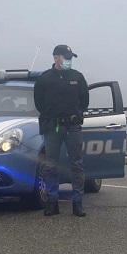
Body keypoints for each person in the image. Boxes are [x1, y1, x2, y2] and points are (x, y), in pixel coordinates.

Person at [33, 44, 89, 217]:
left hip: (72, 127)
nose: (69, 60)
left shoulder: (77, 77)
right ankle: (52, 203)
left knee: (77, 164)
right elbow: (39, 104)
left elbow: (84, 102)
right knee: (51, 165)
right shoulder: (44, 79)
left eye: (71, 57)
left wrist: (76, 115)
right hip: (53, 127)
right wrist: (53, 116)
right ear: (56, 58)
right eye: (66, 57)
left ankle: (77, 204)